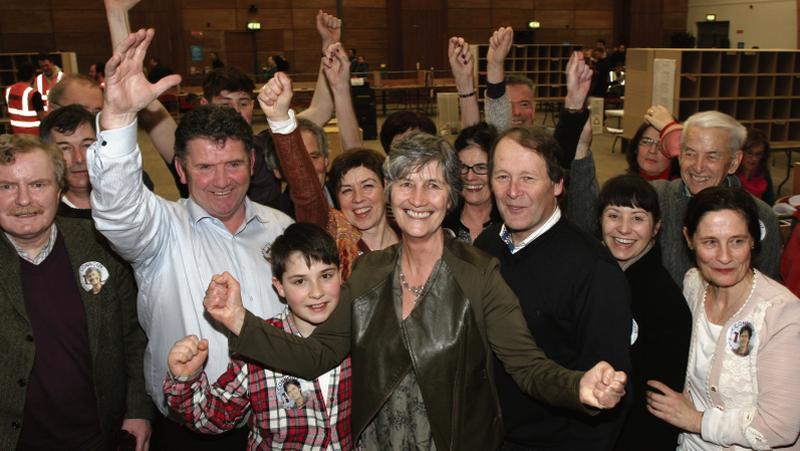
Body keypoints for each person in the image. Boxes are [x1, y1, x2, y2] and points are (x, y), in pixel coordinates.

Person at [203, 130, 628, 450]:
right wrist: (238, 319)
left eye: (434, 185)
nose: (418, 198)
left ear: (451, 198)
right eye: (406, 183)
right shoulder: (368, 272)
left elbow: (528, 367)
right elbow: (317, 355)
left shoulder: (479, 275)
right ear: (390, 195)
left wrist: (579, 387)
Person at [88, 28, 293, 449]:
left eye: (234, 163)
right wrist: (120, 122)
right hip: (190, 432)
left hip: (279, 425)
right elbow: (118, 211)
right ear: (180, 171)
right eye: (204, 167)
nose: (221, 181)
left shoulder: (281, 229)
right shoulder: (159, 230)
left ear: (252, 162)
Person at [474, 126, 632, 451]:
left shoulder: (594, 270)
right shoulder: (486, 245)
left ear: (558, 184)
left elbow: (608, 392)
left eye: (528, 178)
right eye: (502, 177)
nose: (513, 191)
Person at [0, 134, 152, 450]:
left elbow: (135, 336)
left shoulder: (101, 245)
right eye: (6, 187)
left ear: (60, 189)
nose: (24, 200)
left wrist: (138, 409)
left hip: (101, 437)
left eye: (38, 185)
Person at [165, 223, 353, 450]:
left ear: (341, 274)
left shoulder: (359, 332)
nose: (316, 292)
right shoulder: (258, 344)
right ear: (279, 287)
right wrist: (188, 380)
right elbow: (215, 417)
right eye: (300, 281)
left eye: (325, 275)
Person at [647, 186, 800, 450]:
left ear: (753, 239)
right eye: (710, 242)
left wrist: (697, 421)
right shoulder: (693, 285)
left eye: (737, 241)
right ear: (689, 238)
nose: (724, 257)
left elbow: (779, 427)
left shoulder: (781, 312)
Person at [569, 110, 781, 286]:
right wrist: (581, 151)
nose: (698, 167)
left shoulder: (760, 215)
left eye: (711, 156)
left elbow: (765, 292)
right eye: (689, 153)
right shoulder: (657, 197)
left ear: (734, 162)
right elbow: (587, 229)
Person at [260, 69, 397, 278]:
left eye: (368, 186)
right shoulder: (333, 236)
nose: (358, 199)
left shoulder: (410, 230)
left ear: (386, 185)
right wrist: (281, 121)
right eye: (346, 190)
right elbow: (307, 192)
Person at [597, 174, 692, 451]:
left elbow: (658, 403)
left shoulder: (664, 301)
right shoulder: (594, 277)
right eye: (614, 215)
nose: (624, 229)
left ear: (656, 227)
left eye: (638, 218)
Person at [442, 122, 502, 243]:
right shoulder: (442, 222)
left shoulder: (511, 224)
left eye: (480, 168)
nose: (469, 176)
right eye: (462, 167)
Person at [736, 128, 774, 205]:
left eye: (758, 154)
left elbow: (769, 202)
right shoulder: (731, 174)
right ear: (740, 152)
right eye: (750, 153)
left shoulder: (763, 172)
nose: (754, 159)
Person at [4, 62, 44, 135]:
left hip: (16, 133)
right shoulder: (33, 94)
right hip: (34, 135)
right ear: (33, 76)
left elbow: (6, 110)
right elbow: (43, 118)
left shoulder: (8, 90)